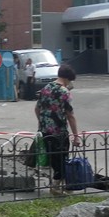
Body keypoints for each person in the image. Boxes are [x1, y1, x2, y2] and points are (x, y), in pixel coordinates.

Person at [34, 63, 82, 195]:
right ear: (67, 78)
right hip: (59, 132)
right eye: (70, 81)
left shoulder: (46, 88)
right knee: (62, 159)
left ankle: (63, 186)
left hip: (45, 131)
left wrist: (43, 122)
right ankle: (56, 186)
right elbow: (70, 115)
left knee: (54, 159)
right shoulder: (64, 92)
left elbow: (37, 109)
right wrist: (76, 136)